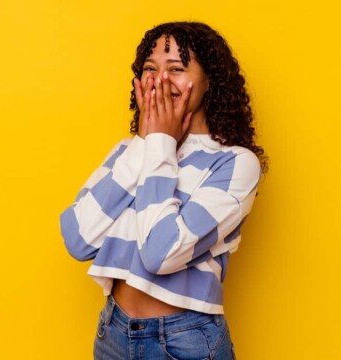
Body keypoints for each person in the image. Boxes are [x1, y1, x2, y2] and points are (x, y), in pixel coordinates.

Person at [60, 21, 267, 360]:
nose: (161, 80)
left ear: (210, 81)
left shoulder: (234, 164)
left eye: (177, 68)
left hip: (185, 341)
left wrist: (159, 142)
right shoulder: (131, 150)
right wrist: (148, 143)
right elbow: (78, 239)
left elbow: (161, 253)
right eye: (150, 69)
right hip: (113, 333)